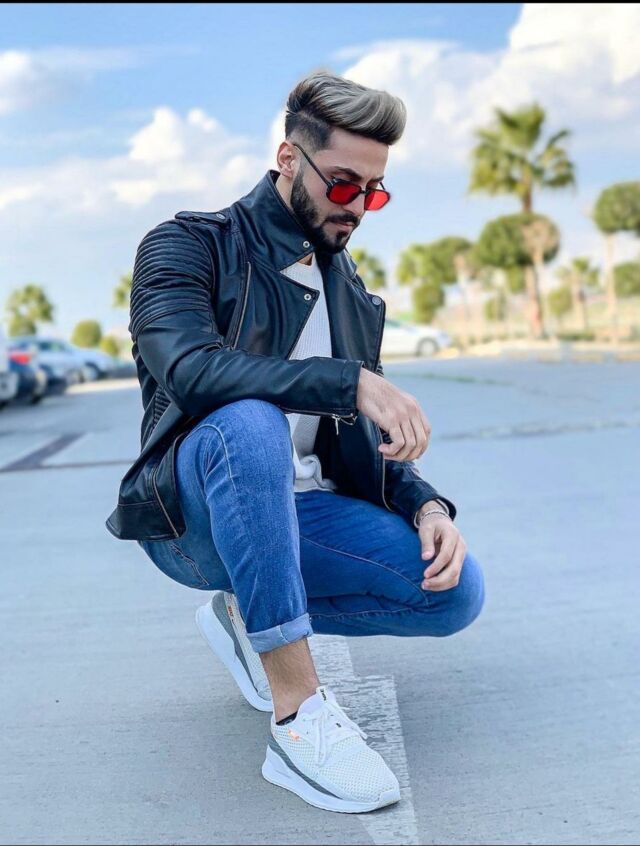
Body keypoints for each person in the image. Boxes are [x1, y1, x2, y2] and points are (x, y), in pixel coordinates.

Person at [106, 70, 485, 814]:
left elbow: (357, 442)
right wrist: (347, 381)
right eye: (342, 184)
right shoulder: (189, 244)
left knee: (453, 594)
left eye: (373, 192)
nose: (357, 207)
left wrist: (427, 505)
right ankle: (298, 716)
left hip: (300, 512)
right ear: (288, 158)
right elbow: (189, 368)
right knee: (249, 420)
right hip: (192, 521)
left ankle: (247, 615)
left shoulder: (351, 294)